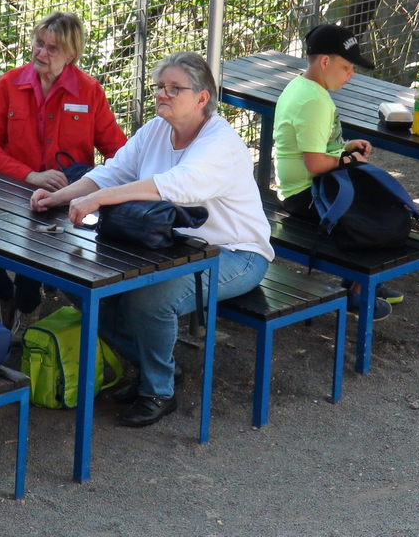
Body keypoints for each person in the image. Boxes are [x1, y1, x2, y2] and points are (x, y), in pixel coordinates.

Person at [31, 52, 273, 428]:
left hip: (235, 252)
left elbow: (177, 185)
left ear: (202, 98)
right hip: (167, 245)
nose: (163, 94)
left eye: (175, 88)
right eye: (161, 86)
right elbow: (114, 171)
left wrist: (100, 199)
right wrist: (58, 197)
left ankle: (158, 391)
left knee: (149, 298)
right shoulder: (156, 129)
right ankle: (155, 367)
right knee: (79, 281)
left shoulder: (220, 143)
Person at [0, 11, 127, 335]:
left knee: (39, 232)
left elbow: (119, 152)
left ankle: (27, 305)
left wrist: (97, 189)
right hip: (11, 191)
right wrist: (29, 176)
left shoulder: (89, 91)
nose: (41, 53)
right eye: (39, 43)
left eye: (53, 49)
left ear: (71, 54)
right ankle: (4, 295)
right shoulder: (10, 84)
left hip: (64, 199)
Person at [272, 22, 402, 321]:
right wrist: (348, 161)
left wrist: (345, 148)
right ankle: (358, 292)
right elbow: (315, 165)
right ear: (324, 61)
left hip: (302, 187)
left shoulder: (301, 86)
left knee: (379, 200)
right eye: (346, 67)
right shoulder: (314, 101)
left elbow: (315, 147)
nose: (351, 74)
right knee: (382, 217)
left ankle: (364, 281)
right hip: (306, 194)